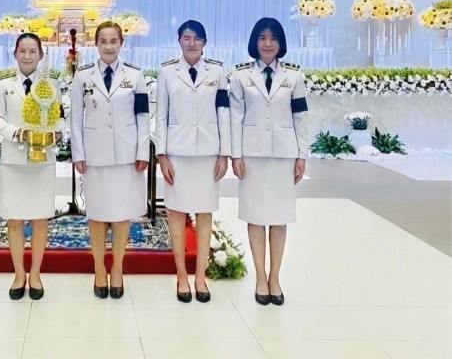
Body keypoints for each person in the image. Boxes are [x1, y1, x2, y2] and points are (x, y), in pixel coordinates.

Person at [229, 17, 310, 306]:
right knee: (256, 215)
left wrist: (302, 154)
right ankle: (260, 277)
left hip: (283, 156)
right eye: (262, 38)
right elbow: (235, 117)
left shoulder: (294, 77)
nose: (268, 43)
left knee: (278, 217)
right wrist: (235, 154)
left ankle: (275, 277)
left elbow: (301, 117)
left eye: (273, 38)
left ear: (280, 43)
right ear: (255, 42)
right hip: (252, 156)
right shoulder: (241, 76)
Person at [70, 21, 149, 299]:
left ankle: (117, 268)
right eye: (103, 41)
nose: (108, 46)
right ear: (96, 44)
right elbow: (75, 118)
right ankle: (99, 269)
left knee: (121, 214)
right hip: (95, 155)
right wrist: (78, 153)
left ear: (121, 43)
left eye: (113, 41)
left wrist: (142, 151)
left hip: (126, 155)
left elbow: (142, 116)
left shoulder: (135, 76)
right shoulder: (83, 76)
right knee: (97, 214)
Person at [154, 20, 230, 303]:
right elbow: (161, 115)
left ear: (205, 43)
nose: (192, 43)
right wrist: (161, 155)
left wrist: (225, 153)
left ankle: (200, 277)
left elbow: (224, 112)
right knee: (176, 212)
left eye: (197, 39)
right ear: (179, 40)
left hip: (208, 153)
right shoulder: (166, 72)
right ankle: (182, 276)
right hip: (177, 153)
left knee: (204, 213)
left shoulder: (218, 72)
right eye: (186, 38)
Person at [0, 33, 65, 300]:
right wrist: (17, 133)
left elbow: (60, 117)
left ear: (41, 55)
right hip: (14, 161)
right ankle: (19, 274)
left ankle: (35, 274)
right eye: (22, 50)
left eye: (33, 51)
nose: (27, 56)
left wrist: (58, 133)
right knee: (14, 218)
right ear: (14, 54)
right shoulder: (3, 86)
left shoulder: (51, 85)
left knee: (40, 218)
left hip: (42, 161)